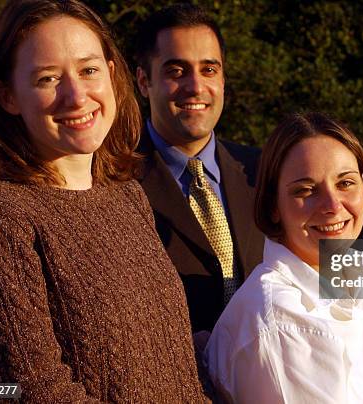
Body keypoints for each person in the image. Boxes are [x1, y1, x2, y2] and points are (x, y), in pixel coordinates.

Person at [0, 0, 206, 401]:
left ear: (110, 75)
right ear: (8, 96)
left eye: (88, 70)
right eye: (47, 78)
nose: (76, 96)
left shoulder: (127, 197)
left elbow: (172, 369)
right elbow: (29, 390)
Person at [205, 112, 363, 403]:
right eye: (306, 190)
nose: (333, 205)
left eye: (345, 183)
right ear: (273, 206)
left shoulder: (341, 281)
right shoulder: (283, 320)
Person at [134, 3, 264, 332]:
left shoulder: (264, 170)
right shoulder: (110, 182)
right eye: (176, 71)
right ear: (143, 81)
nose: (195, 86)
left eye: (209, 70)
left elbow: (338, 270)